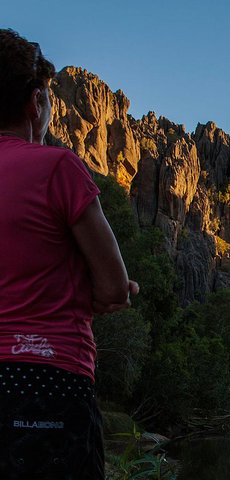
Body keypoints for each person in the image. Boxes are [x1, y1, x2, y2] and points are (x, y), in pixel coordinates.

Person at [0, 29, 138, 479]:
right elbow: (115, 286)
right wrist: (93, 289)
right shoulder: (58, 167)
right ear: (34, 102)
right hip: (48, 378)